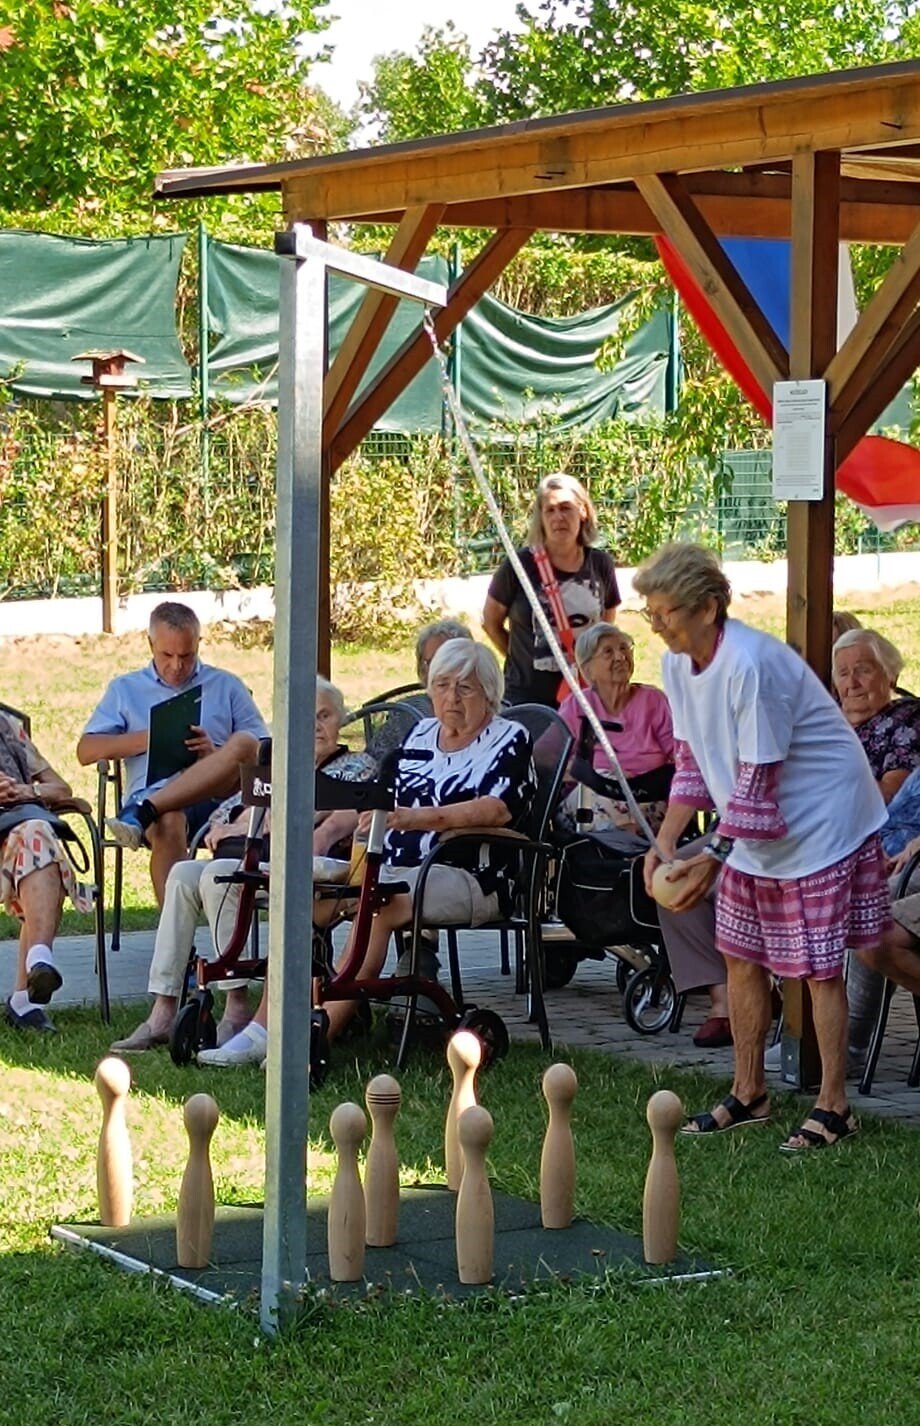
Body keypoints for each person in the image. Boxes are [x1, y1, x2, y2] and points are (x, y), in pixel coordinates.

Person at [635, 542, 889, 1150]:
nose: (656, 625)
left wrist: (712, 858)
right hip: (755, 821)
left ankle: (834, 1106)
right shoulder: (676, 664)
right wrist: (664, 842)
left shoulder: (752, 665)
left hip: (822, 819)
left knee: (818, 969)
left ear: (708, 608)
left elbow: (756, 781)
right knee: (740, 956)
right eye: (651, 612)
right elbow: (692, 762)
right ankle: (749, 1092)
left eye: (665, 612)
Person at [113, 678, 374, 1061]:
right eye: (306, 718)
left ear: (341, 721)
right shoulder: (283, 766)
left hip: (317, 868)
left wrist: (247, 824)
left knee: (217, 875)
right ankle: (164, 1005)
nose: (316, 726)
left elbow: (311, 808)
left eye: (325, 716)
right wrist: (235, 823)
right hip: (262, 859)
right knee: (182, 875)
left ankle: (236, 1005)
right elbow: (227, 813)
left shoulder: (356, 764)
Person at [323, 639, 537, 1044]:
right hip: (393, 866)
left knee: (379, 903)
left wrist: (416, 818)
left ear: (489, 693)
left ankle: (315, 1039)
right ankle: (275, 1022)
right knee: (314, 898)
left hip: (472, 874)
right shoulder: (421, 733)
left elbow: (496, 809)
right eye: (441, 685)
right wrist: (341, 824)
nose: (451, 697)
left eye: (465, 687)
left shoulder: (508, 738)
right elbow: (381, 795)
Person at [77, 602, 268, 905]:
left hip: (218, 798)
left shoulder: (226, 685)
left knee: (244, 740)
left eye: (187, 655)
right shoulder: (126, 689)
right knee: (170, 821)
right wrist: (150, 738)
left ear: (198, 644)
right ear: (150, 644)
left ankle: (143, 811)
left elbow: (264, 749)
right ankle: (176, 933)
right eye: (167, 655)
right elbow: (86, 750)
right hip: (159, 796)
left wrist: (214, 755)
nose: (177, 666)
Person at [482, 472, 620, 707]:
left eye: (566, 508)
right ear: (542, 518)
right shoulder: (519, 565)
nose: (558, 517)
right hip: (527, 698)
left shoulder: (601, 564)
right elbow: (490, 622)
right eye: (550, 510)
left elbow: (606, 628)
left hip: (585, 694)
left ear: (583, 511)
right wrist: (520, 660)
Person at [0, 709, 94, 1033]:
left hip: (14, 833)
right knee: (36, 841)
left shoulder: (5, 726)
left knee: (36, 833)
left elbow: (60, 788)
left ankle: (38, 964)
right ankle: (27, 996)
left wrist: (26, 791)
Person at [557, 623, 674, 836]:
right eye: (608, 652)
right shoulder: (577, 705)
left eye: (624, 648)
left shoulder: (654, 701)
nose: (620, 657)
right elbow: (548, 763)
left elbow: (679, 757)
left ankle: (621, 848)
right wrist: (602, 777)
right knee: (601, 798)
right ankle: (622, 848)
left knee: (622, 809)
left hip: (646, 798)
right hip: (589, 800)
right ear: (588, 669)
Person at [832, 627, 920, 803]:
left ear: (891, 677)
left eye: (863, 670)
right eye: (843, 673)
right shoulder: (824, 717)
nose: (852, 683)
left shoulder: (908, 718)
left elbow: (892, 796)